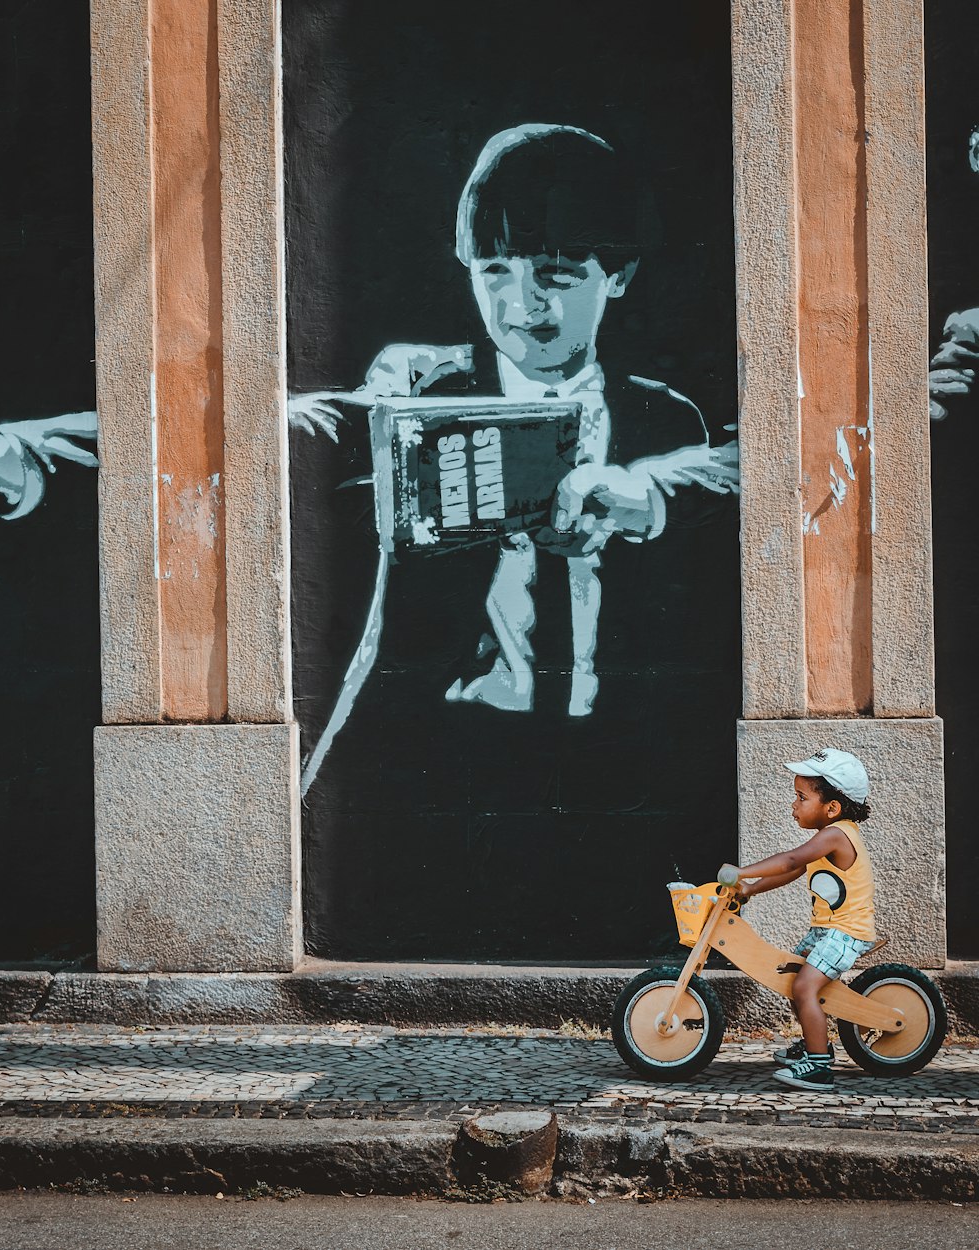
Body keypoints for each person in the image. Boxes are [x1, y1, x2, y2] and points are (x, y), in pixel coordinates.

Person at [290, 122, 739, 726]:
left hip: (613, 745)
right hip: (454, 740)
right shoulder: (428, 386)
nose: (522, 305)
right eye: (495, 271)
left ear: (618, 275)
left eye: (555, 276)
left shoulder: (667, 418)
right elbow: (340, 422)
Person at [720, 748, 876, 1092]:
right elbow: (792, 871)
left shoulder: (837, 835)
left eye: (801, 797)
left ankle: (819, 1066)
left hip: (846, 933)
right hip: (827, 931)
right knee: (794, 976)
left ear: (831, 808)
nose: (794, 805)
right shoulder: (826, 840)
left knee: (805, 986)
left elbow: (790, 860)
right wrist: (750, 890)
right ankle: (814, 1042)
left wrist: (741, 871)